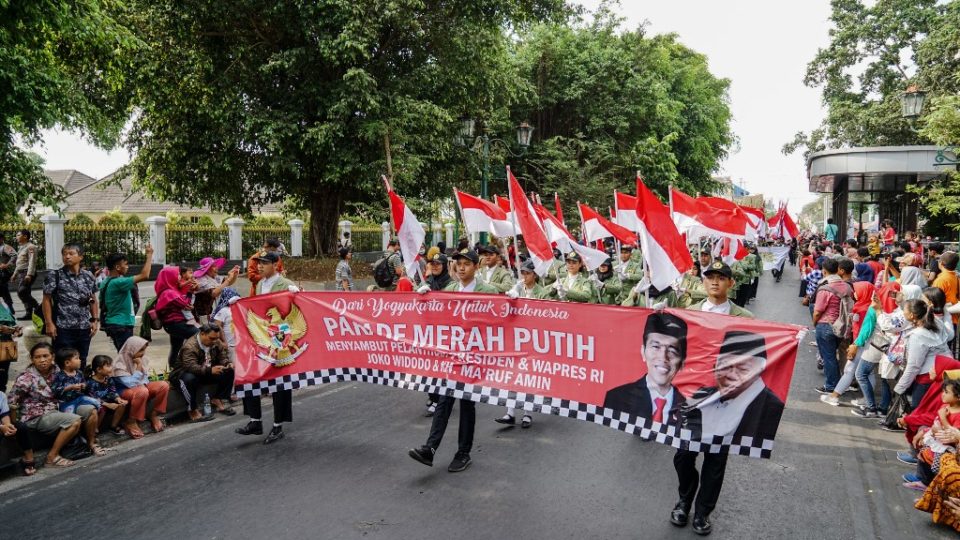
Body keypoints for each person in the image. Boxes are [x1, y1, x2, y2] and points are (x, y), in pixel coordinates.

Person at [670, 260, 756, 536]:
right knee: (684, 455)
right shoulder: (688, 313)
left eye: (721, 277)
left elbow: (755, 358)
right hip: (691, 397)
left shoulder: (745, 318)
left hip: (725, 401)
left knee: (715, 459)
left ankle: (703, 511)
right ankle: (685, 498)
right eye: (710, 277)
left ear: (731, 283)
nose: (715, 281)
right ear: (703, 282)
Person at [409, 251, 496, 472]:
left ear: (476, 267)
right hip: (453, 357)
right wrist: (425, 299)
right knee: (444, 400)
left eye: (467, 264)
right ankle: (430, 448)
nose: (461, 268)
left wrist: (512, 300)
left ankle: (463, 452)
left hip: (475, 358)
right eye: (458, 264)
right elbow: (437, 319)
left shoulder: (488, 291)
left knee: (467, 404)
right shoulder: (449, 290)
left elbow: (500, 320)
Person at [235, 251, 297, 444]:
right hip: (261, 337)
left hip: (279, 338)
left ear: (275, 264)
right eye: (258, 263)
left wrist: (296, 294)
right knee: (251, 375)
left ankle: (278, 424)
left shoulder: (286, 284)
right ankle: (255, 420)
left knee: (280, 383)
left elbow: (296, 308)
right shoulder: (260, 284)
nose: (259, 266)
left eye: (264, 263)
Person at [9, 343, 98, 467]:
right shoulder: (26, 378)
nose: (42, 360)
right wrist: (14, 425)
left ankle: (91, 444)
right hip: (37, 416)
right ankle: (52, 457)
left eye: (46, 356)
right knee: (74, 421)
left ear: (52, 356)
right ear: (32, 359)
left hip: (60, 407)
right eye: (37, 357)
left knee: (90, 410)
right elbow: (12, 401)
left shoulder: (58, 370)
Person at [602, 312, 687, 423]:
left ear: (682, 363)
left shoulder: (691, 411)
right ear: (643, 352)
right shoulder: (617, 398)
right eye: (656, 347)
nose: (663, 357)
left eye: (672, 351)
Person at [42, 243, 99, 370]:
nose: (67, 257)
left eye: (71, 254)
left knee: (81, 360)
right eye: (64, 254)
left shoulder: (88, 276)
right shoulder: (54, 276)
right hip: (63, 328)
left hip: (84, 327)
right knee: (63, 362)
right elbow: (46, 300)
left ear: (80, 257)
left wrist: (95, 320)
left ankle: (79, 387)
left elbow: (93, 299)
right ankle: (63, 388)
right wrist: (49, 323)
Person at [820, 281, 875, 406]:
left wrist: (855, 345)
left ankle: (834, 396)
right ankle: (867, 400)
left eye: (856, 291)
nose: (853, 293)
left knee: (849, 370)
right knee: (867, 372)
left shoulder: (864, 310)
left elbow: (864, 331)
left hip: (861, 344)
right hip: (865, 345)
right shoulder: (865, 306)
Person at [169, 323, 235, 423]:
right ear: (203, 334)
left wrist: (227, 363)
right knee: (189, 379)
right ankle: (192, 410)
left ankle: (218, 399)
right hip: (182, 373)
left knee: (229, 371)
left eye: (216, 338)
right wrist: (210, 370)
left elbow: (222, 355)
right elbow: (190, 366)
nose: (215, 341)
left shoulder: (216, 341)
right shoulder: (190, 346)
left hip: (203, 372)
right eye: (211, 338)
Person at [894, 299, 953, 409]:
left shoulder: (918, 335)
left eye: (904, 310)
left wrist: (899, 388)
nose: (903, 313)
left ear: (912, 315)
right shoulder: (936, 321)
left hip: (928, 377)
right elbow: (949, 336)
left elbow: (914, 365)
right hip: (945, 372)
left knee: (919, 409)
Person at [112, 336, 170, 437]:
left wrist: (143, 382)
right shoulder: (119, 363)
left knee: (163, 386)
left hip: (140, 387)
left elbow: (144, 379)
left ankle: (153, 415)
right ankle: (131, 421)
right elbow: (131, 384)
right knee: (142, 391)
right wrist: (138, 366)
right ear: (131, 349)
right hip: (124, 391)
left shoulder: (142, 359)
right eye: (140, 350)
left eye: (144, 349)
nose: (143, 353)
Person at [100, 245, 154, 351]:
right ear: (117, 267)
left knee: (124, 355)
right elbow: (145, 275)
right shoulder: (119, 282)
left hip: (114, 323)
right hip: (121, 325)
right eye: (125, 264)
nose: (127, 267)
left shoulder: (106, 281)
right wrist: (149, 255)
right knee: (128, 357)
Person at [812, 258, 851, 394]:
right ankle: (839, 383)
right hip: (842, 325)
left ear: (824, 271)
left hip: (826, 325)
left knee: (828, 357)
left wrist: (815, 323)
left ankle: (831, 386)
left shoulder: (825, 288)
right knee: (834, 356)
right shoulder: (846, 286)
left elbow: (817, 311)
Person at [155, 266, 200, 367]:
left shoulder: (171, 290)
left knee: (176, 347)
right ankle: (191, 363)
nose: (179, 276)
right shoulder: (169, 293)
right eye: (178, 274)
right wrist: (190, 292)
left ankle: (174, 367)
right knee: (199, 336)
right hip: (176, 323)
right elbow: (184, 303)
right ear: (170, 277)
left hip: (173, 324)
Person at [85, 355, 129, 435]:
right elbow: (92, 398)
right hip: (97, 404)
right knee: (102, 409)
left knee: (122, 405)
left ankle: (113, 426)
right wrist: (107, 404)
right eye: (108, 366)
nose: (111, 368)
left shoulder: (108, 379)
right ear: (99, 369)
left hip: (107, 401)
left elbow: (112, 391)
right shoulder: (90, 383)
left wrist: (117, 398)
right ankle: (94, 430)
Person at [52, 347, 101, 414]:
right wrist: (69, 388)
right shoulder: (59, 376)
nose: (80, 360)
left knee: (97, 403)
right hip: (65, 402)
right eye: (77, 358)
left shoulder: (79, 373)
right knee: (70, 415)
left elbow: (84, 383)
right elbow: (54, 391)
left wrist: (84, 385)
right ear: (67, 363)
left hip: (80, 398)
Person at [0, 388, 36, 475]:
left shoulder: (1, 395)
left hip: (2, 425)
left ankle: (29, 461)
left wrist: (8, 425)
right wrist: (1, 427)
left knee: (21, 427)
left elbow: (4, 415)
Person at [192, 256, 240, 321]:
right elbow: (214, 293)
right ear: (207, 269)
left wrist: (235, 274)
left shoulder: (215, 277)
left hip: (211, 311)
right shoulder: (201, 279)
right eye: (214, 266)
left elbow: (228, 283)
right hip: (201, 314)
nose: (217, 268)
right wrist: (228, 279)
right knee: (205, 330)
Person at [12, 229, 39, 321]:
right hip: (21, 273)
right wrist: (15, 274)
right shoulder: (21, 247)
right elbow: (19, 263)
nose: (16, 237)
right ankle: (28, 314)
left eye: (18, 235)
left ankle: (38, 308)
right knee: (25, 293)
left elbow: (32, 261)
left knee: (21, 292)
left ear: (25, 236)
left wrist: (29, 274)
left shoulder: (31, 247)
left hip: (27, 272)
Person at [212, 287, 241, 363]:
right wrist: (222, 342)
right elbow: (216, 327)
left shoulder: (239, 308)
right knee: (234, 367)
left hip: (240, 345)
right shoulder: (223, 310)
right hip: (229, 346)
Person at [0, 302, 21, 391]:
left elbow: (12, 323)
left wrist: (16, 330)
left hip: (7, 343)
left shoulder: (3, 304)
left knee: (2, 377)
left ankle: (2, 402)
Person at [0, 233, 16, 316]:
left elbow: (14, 255)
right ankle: (9, 307)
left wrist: (7, 265)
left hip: (3, 273)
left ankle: (10, 307)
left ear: (1, 239)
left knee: (3, 289)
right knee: (3, 290)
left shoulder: (5, 247)